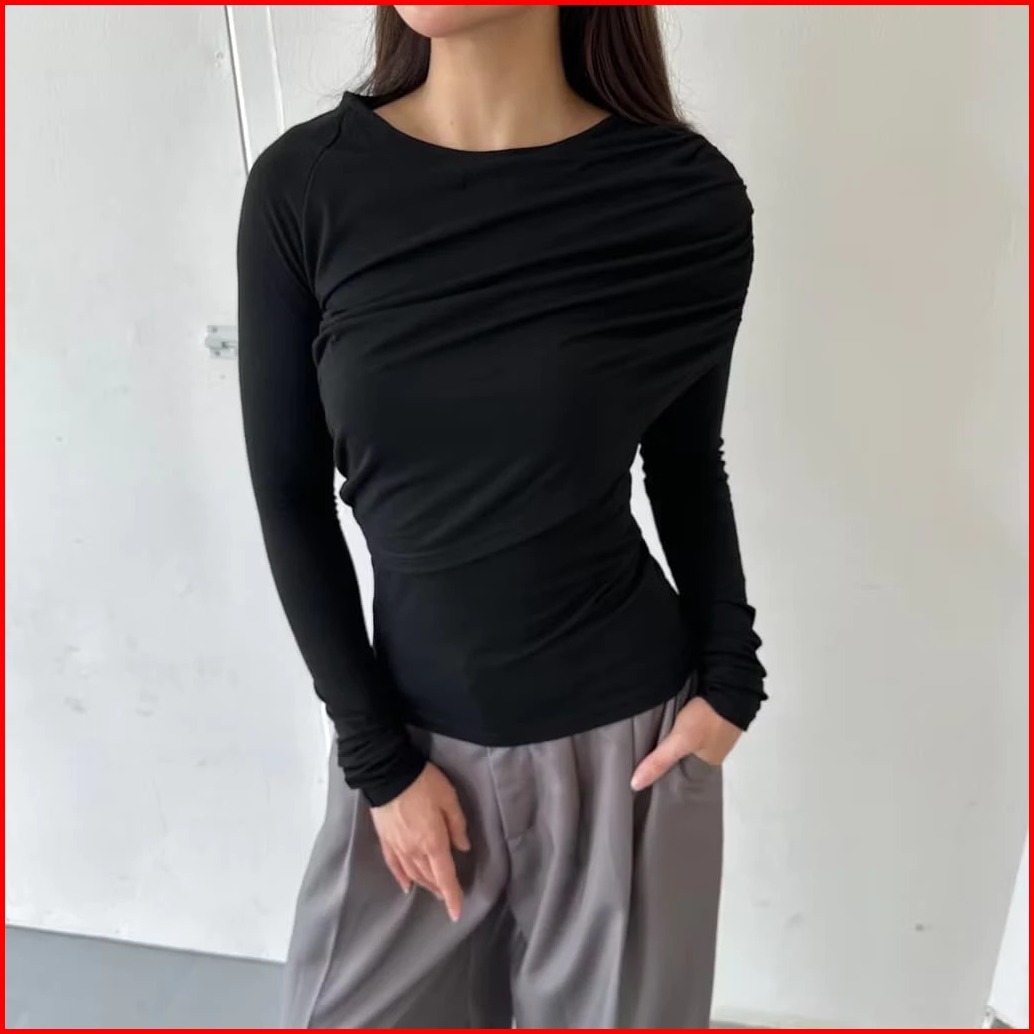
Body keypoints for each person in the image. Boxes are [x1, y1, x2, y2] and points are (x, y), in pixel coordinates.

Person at [236, 4, 767, 1028]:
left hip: (629, 753)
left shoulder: (682, 196)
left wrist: (731, 682)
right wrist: (380, 762)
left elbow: (684, 460)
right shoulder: (306, 187)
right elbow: (287, 493)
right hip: (408, 752)